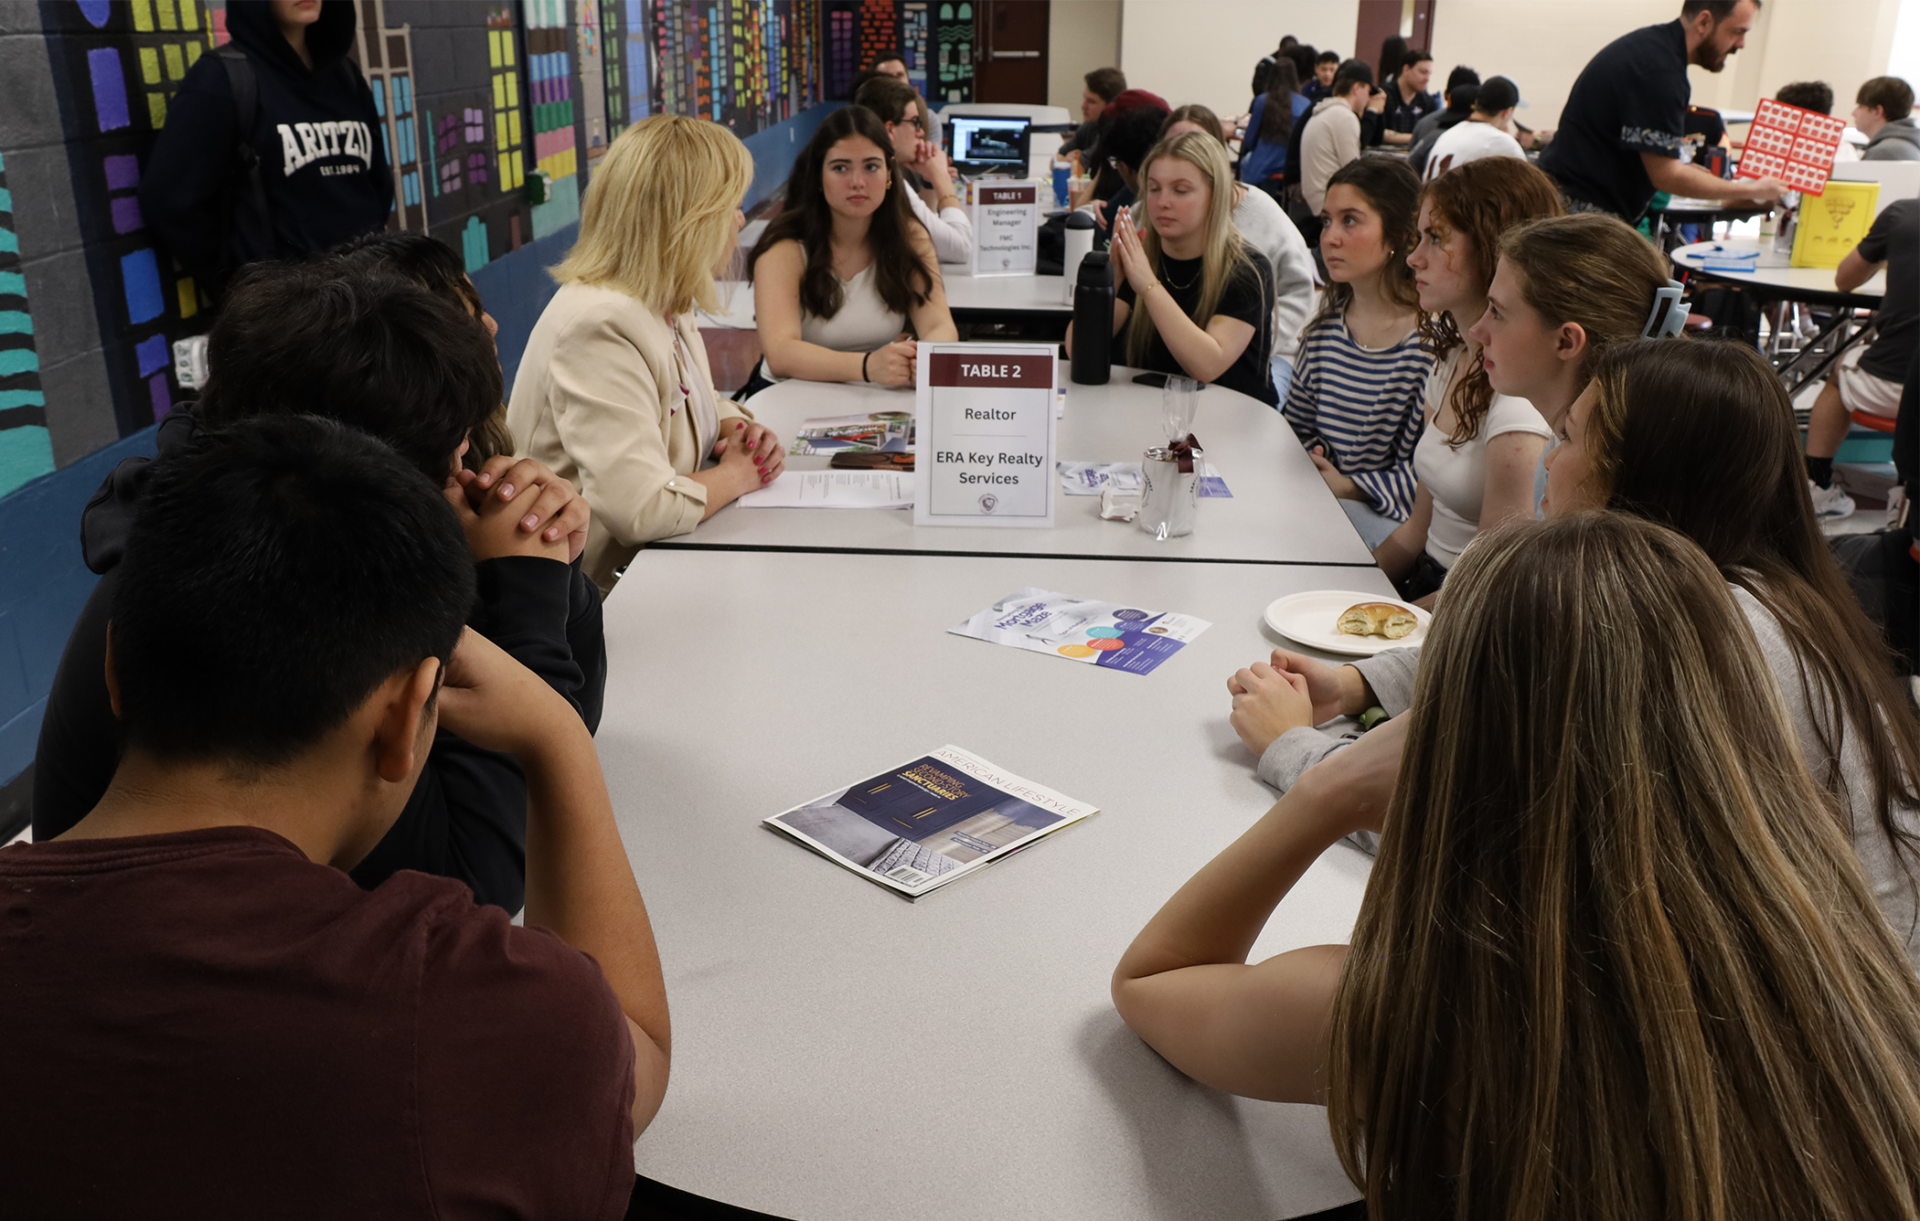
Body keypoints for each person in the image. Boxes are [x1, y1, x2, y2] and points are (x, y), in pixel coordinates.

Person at [1117, 512, 1920, 1217]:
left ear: (1456, 744)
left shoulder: (1434, 1013)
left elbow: (1151, 979)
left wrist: (1326, 789)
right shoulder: (1852, 961)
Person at [3, 415, 673, 1217]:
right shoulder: (461, 1009)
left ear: (114, 668)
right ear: (405, 721)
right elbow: (629, 1053)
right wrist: (556, 736)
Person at [1242, 338, 1920, 956]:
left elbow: (1475, 842)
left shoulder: (1665, 640)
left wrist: (1292, 747)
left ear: (1634, 478)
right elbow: (1506, 666)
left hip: (1799, 1041)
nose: (1547, 461)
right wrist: (1360, 685)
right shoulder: (1765, 593)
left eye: (1564, 438)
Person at [32, 262, 598, 918]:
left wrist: (547, 560)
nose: (472, 480)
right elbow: (478, 885)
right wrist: (525, 588)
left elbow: (571, 724)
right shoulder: (267, 605)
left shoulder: (227, 532)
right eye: (451, 465)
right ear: (351, 480)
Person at [512, 116, 785, 595]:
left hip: (658, 569)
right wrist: (740, 474)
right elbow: (640, 509)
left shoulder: (661, 299)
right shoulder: (599, 324)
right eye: (731, 206)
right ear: (689, 221)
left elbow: (677, 400)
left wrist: (731, 426)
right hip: (595, 597)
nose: (740, 220)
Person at [1374, 159, 1563, 601]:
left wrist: (1382, 628)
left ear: (1492, 248)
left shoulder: (1517, 399)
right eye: (1419, 236)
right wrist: (1344, 588)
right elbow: (1415, 533)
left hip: (1466, 611)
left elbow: (1490, 585)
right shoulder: (1454, 359)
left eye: (1436, 239)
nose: (1414, 257)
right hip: (1430, 587)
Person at [141, 0, 390, 298]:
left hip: (373, 301)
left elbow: (377, 185)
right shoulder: (220, 78)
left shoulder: (346, 77)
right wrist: (245, 290)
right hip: (295, 320)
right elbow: (171, 202)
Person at [748, 107, 956, 395]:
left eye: (871, 166)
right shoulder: (785, 247)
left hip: (875, 393)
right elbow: (781, 353)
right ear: (819, 175)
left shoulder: (910, 236)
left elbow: (940, 324)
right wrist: (867, 366)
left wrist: (926, 357)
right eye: (840, 168)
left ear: (889, 174)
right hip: (791, 392)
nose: (857, 181)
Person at [1066, 131, 1278, 405]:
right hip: (1148, 418)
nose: (1162, 202)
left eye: (1180, 190)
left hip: (1231, 426)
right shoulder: (1139, 260)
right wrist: (1114, 278)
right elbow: (1077, 351)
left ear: (1214, 197)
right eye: (1154, 188)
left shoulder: (1248, 269)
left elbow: (1207, 366)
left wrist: (1149, 287)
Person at [1283, 156, 1429, 546]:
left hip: (1393, 525)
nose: (1329, 237)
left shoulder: (1428, 348)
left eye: (1350, 220)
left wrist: (1350, 486)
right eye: (1327, 221)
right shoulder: (1325, 329)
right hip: (1317, 500)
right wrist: (1309, 458)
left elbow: (1431, 479)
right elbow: (1293, 430)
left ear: (1399, 235)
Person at [1539, 0, 1787, 220]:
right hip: (1576, 213)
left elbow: (1654, 157)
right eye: (1737, 32)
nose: (1741, 44)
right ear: (1704, 21)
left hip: (1566, 202)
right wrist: (1754, 190)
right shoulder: (1659, 74)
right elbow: (1667, 175)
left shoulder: (1652, 50)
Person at [1156, 106, 1314, 399]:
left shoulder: (1263, 220)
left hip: (1266, 355)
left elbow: (1300, 293)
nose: (1183, 153)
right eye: (1174, 143)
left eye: (1196, 144)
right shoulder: (1154, 211)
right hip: (1191, 361)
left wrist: (1246, 339)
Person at [1802, 193, 1920, 518]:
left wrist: (1891, 253)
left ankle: (1817, 484)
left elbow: (1845, 279)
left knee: (1842, 368)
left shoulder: (1902, 213)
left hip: (1890, 388)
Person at [853, 76, 973, 264]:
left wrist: (930, 178)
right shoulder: (884, 178)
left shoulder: (862, 167)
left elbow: (929, 236)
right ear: (890, 130)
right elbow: (961, 248)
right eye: (915, 122)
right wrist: (941, 177)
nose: (921, 132)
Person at [1299, 59, 1375, 216]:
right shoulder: (1344, 116)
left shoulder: (1325, 111)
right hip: (1331, 204)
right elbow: (1353, 170)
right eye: (1367, 91)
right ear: (1356, 88)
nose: (1368, 98)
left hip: (1319, 200)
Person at [1421, 75, 1528, 180]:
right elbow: (1527, 192)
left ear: (1477, 103)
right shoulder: (1502, 142)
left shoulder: (1448, 135)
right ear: (1507, 112)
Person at [1239, 56, 1311, 199]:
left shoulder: (1262, 101)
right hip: (1292, 168)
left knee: (1244, 162)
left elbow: (1250, 140)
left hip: (1262, 166)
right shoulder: (1305, 104)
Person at [867, 51, 943, 152]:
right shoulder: (864, 119)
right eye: (887, 77)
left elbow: (932, 159)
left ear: (908, 79)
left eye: (899, 75)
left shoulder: (930, 119)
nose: (895, 82)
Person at [1376, 48, 1437, 147]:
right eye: (1423, 72)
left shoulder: (1427, 101)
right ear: (1406, 69)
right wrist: (1415, 137)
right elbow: (1378, 133)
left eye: (1429, 73)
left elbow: (1432, 134)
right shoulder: (1383, 95)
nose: (1427, 78)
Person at [1062, 66, 1126, 155]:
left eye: (1091, 101)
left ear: (1111, 105)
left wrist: (1069, 160)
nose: (1083, 106)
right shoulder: (1090, 124)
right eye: (1084, 99)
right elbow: (1060, 155)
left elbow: (1082, 164)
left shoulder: (1116, 132)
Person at [1857, 76, 1920, 161]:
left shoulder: (1883, 152)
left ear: (1877, 111)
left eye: (1860, 106)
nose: (1853, 113)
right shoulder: (1907, 146)